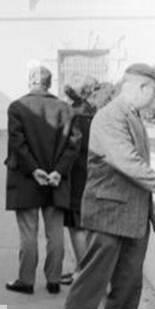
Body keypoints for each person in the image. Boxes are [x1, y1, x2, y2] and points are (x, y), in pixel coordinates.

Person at [52, 64, 155, 309]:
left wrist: (151, 204)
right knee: (93, 281)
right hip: (108, 213)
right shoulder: (110, 116)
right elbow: (126, 161)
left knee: (129, 284)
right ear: (141, 88)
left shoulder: (131, 116)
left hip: (133, 215)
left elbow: (134, 164)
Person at [4, 66, 78, 295]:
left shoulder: (17, 107)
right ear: (49, 82)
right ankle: (53, 280)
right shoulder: (66, 109)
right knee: (55, 232)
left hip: (26, 177)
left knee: (28, 232)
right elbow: (73, 146)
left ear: (32, 80)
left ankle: (26, 281)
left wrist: (34, 169)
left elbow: (18, 143)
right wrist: (58, 171)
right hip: (56, 179)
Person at [61, 80, 97, 283]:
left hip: (77, 176)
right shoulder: (93, 112)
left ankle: (82, 273)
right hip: (90, 174)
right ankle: (82, 269)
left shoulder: (76, 115)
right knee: (82, 226)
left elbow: (71, 147)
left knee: (77, 227)